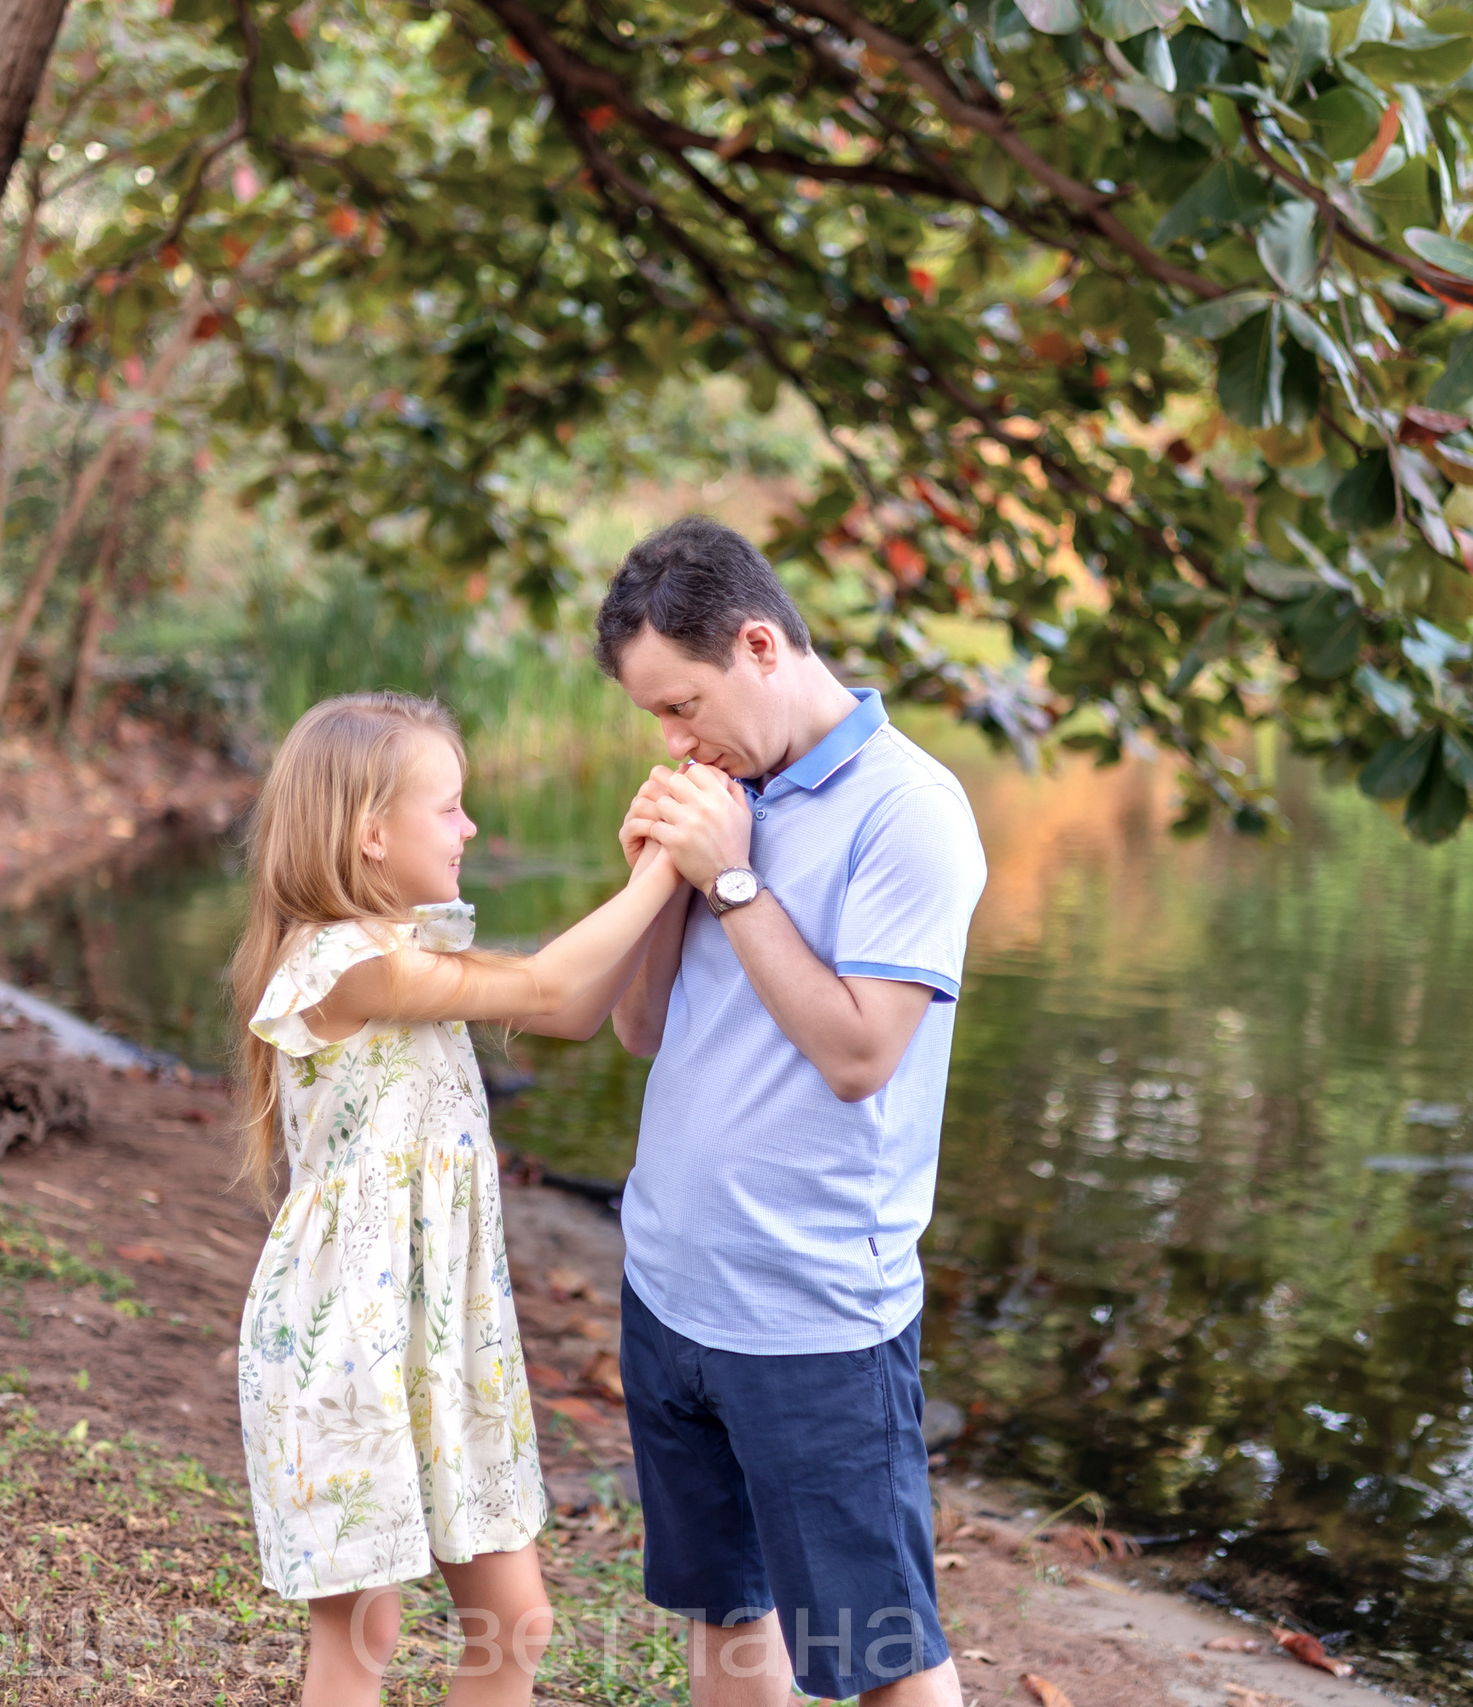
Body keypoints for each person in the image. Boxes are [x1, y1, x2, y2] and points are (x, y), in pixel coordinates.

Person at [228, 691, 686, 1707]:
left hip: (445, 1329)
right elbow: (536, 990)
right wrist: (667, 865)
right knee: (363, 1631)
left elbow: (566, 1002)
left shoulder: (405, 945)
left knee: (514, 1619)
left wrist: (660, 874)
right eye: (451, 808)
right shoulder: (342, 963)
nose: (470, 829)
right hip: (346, 1334)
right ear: (371, 833)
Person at [607, 518, 988, 1707]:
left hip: (813, 1316)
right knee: (728, 1613)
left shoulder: (911, 810)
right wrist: (652, 890)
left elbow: (860, 1052)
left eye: (682, 705)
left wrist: (730, 878)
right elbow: (639, 1028)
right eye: (655, 720)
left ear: (760, 645)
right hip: (669, 1286)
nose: (674, 740)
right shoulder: (719, 793)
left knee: (884, 1660)